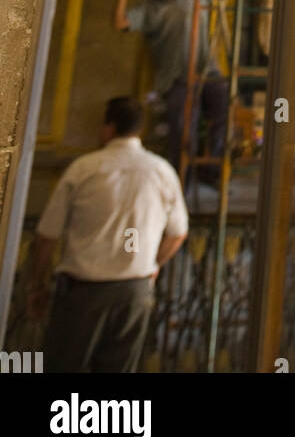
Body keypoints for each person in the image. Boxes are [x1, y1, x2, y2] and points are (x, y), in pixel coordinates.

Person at [27, 96, 187, 373]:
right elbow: (178, 234)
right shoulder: (162, 171)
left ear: (109, 128)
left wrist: (38, 284)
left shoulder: (84, 169)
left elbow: (47, 235)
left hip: (84, 291)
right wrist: (153, 266)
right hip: (134, 291)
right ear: (139, 129)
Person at [113, 0, 228, 175]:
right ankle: (182, 182)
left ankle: (213, 170)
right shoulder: (149, 7)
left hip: (206, 68)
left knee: (222, 108)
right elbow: (120, 23)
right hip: (175, 78)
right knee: (181, 133)